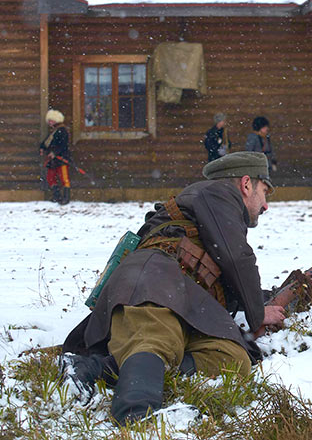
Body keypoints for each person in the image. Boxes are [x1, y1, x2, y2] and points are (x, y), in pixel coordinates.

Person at [60, 152, 285, 425]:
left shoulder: (208, 206)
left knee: (231, 358)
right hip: (155, 283)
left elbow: (227, 277)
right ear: (246, 184)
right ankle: (135, 417)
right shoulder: (218, 193)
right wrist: (257, 314)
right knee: (155, 340)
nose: (266, 205)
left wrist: (264, 299)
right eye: (264, 192)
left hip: (180, 296)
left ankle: (94, 369)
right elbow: (237, 258)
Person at [39, 109, 71, 205]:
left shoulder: (63, 130)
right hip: (53, 160)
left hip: (62, 159)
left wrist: (55, 153)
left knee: (64, 179)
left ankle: (66, 198)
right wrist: (42, 148)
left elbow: (63, 145)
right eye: (49, 120)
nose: (49, 122)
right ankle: (57, 196)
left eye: (51, 120)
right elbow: (47, 142)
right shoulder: (54, 131)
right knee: (50, 177)